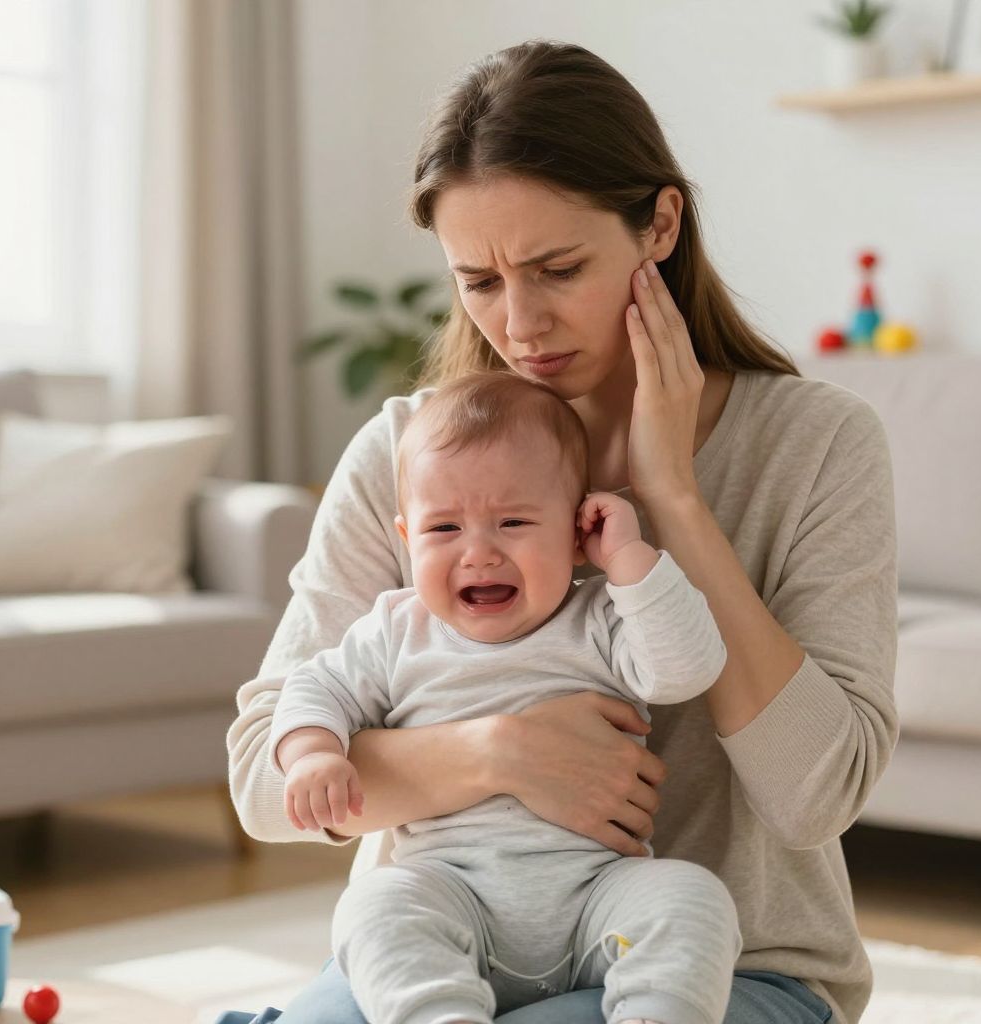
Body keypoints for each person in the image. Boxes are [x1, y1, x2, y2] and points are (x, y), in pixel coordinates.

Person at [224, 38, 897, 1024]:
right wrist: (501, 750)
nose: (522, 322)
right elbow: (259, 778)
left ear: (659, 223)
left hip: (732, 962)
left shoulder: (817, 445)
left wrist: (674, 500)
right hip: (446, 951)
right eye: (480, 281)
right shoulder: (405, 457)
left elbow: (816, 796)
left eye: (558, 267)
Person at [272, 371, 734, 1024]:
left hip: (597, 898)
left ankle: (656, 1014)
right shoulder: (394, 631)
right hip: (452, 896)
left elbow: (689, 668)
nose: (479, 554)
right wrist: (313, 753)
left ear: (577, 533)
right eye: (443, 530)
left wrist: (628, 557)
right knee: (374, 908)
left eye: (513, 522)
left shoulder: (601, 617)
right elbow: (312, 687)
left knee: (690, 897)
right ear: (406, 540)